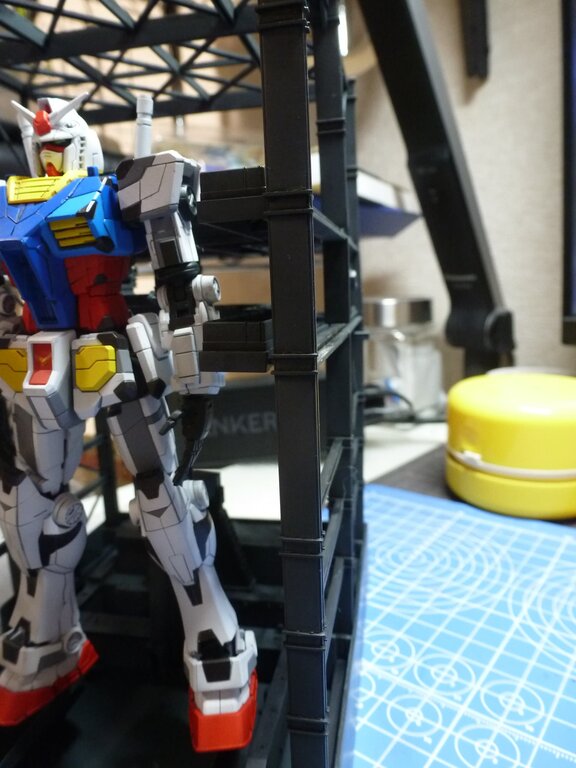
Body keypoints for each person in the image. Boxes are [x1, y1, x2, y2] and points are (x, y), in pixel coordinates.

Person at [0, 92, 257, 753]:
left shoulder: (125, 189)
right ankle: (44, 638)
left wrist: (193, 361)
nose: (49, 152)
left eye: (59, 141)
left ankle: (215, 640)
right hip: (36, 360)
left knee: (160, 496)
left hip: (110, 352)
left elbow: (181, 279)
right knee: (30, 505)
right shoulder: (10, 199)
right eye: (39, 142)